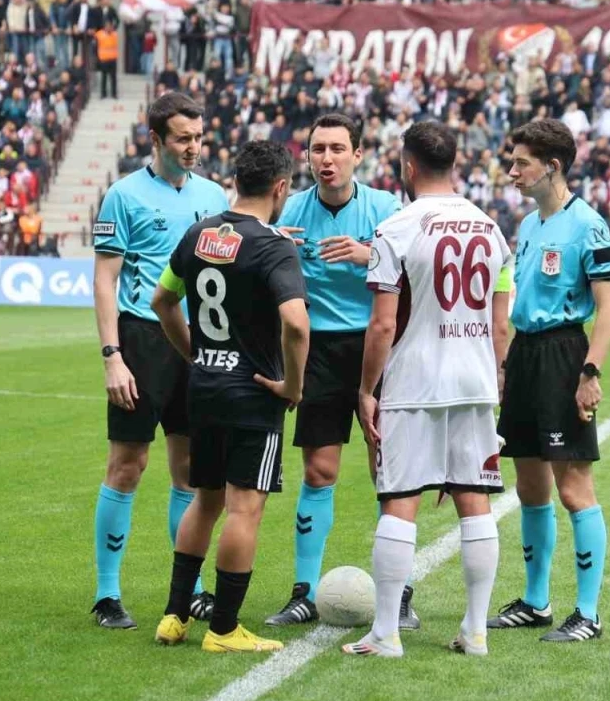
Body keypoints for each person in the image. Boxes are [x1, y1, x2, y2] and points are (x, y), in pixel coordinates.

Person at [342, 120, 511, 659]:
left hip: (415, 381)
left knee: (400, 500)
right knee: (474, 500)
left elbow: (382, 325)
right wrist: (495, 380)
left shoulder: (396, 228)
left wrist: (366, 389)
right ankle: (476, 631)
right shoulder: (491, 228)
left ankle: (386, 633)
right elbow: (500, 325)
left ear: (408, 166)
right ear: (454, 164)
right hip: (475, 382)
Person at [151, 140, 309, 653]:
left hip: (204, 387)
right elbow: (296, 325)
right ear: (281, 188)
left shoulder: (199, 234)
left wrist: (195, 353)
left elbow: (162, 300)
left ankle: (175, 615)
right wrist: (293, 386)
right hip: (253, 394)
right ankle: (223, 629)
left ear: (236, 181)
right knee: (244, 509)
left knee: (206, 500)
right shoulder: (274, 245)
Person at [262, 114, 415, 629]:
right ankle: (304, 592)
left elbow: (416, 268)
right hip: (318, 350)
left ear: (357, 155)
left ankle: (399, 595)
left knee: (388, 472)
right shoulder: (290, 211)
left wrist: (367, 255)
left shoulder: (385, 209)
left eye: (337, 149)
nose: (326, 159)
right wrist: (272, 246)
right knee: (318, 471)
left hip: (378, 346)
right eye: (318, 149)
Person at [88, 92, 229, 630]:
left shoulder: (213, 195)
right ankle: (107, 594)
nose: (193, 147)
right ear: (155, 139)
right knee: (128, 464)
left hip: (200, 342)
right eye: (182, 138)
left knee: (189, 470)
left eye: (198, 137)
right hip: (143, 341)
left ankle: (190, 589)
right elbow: (105, 280)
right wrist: (112, 357)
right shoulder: (123, 195)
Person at [487, 118, 610, 643]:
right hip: (525, 354)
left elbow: (609, 308)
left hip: (565, 355)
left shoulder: (588, 224)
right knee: (530, 486)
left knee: (573, 488)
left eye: (522, 163)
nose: (513, 171)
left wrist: (590, 372)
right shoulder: (527, 226)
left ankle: (587, 613)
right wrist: (505, 365)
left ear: (553, 166)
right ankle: (536, 602)